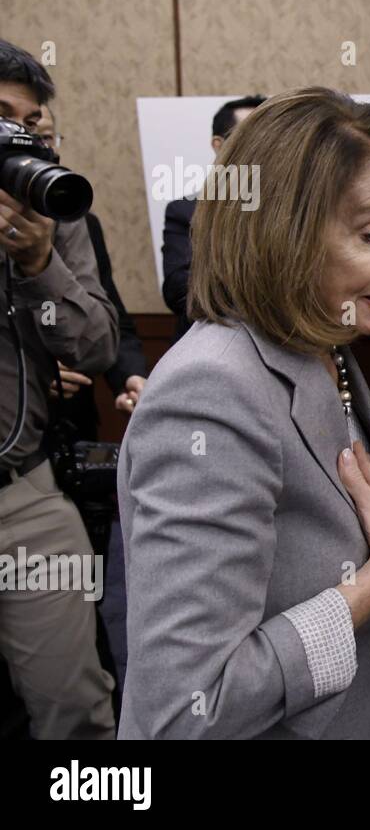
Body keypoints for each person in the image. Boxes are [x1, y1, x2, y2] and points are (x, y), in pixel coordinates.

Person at [118, 87, 370, 739]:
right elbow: (185, 711)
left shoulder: (320, 347)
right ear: (286, 229)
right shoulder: (213, 392)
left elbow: (295, 587)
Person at [0, 39, 119, 739]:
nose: (17, 135)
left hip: (26, 493)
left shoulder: (52, 205)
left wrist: (40, 260)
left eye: (30, 122)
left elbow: (98, 344)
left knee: (74, 705)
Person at [36, 105, 149, 434]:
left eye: (46, 136)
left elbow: (111, 317)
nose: (40, 147)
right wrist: (29, 378)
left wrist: (131, 377)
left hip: (72, 426)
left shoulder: (79, 220)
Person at [161, 94, 265, 342]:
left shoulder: (293, 206)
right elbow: (178, 291)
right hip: (212, 346)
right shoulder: (186, 210)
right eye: (251, 136)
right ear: (219, 145)